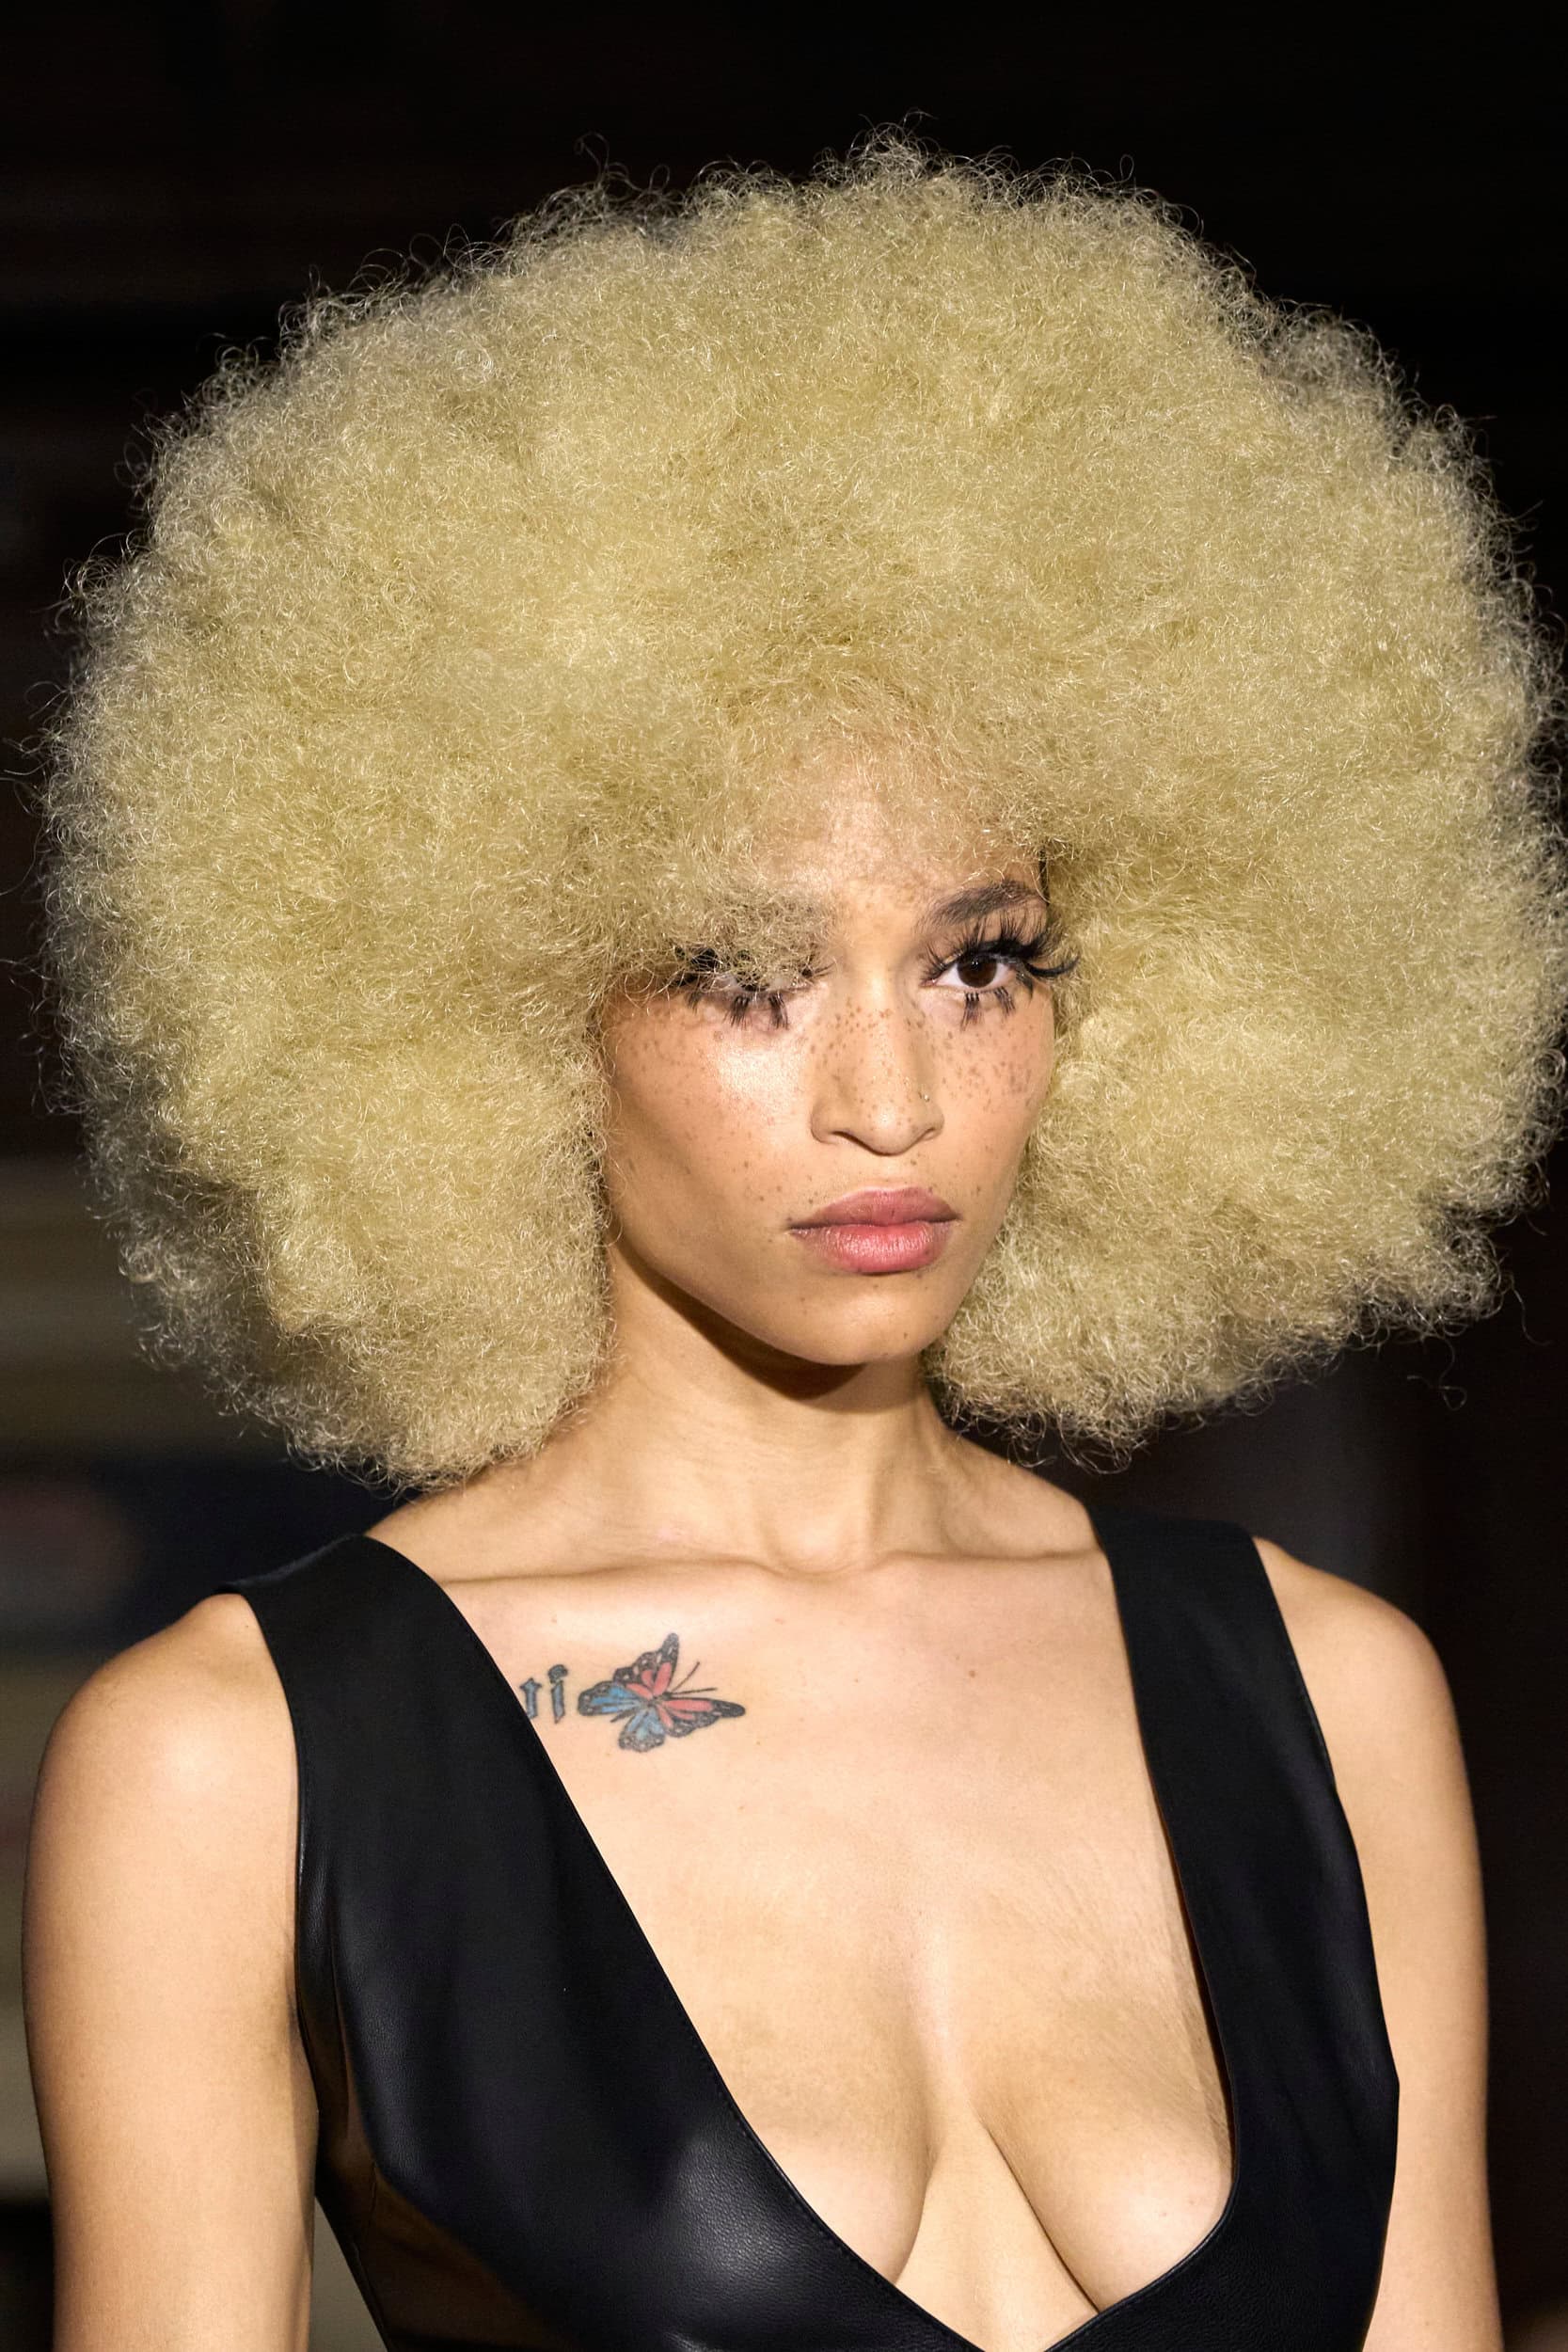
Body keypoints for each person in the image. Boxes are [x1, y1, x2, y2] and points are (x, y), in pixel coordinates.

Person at [22, 137, 1568, 2352]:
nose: (891, 1096)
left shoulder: (1329, 1695)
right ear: (491, 998)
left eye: (981, 960)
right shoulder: (237, 1754)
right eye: (748, 973)